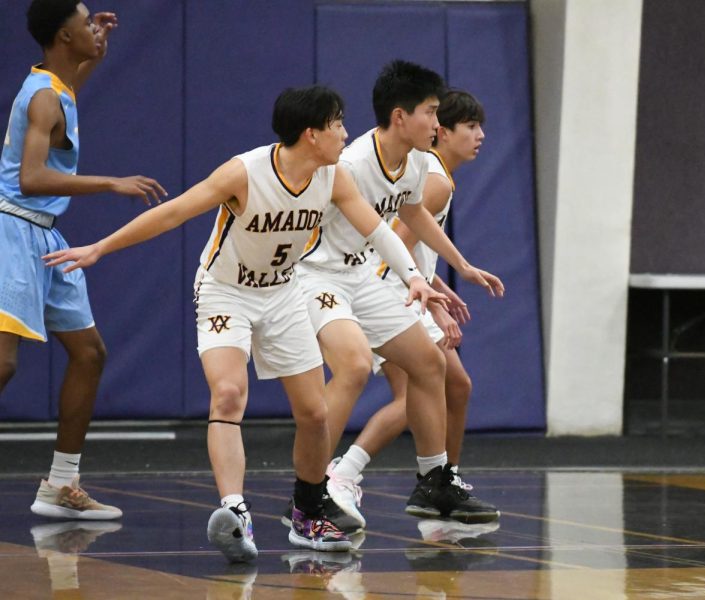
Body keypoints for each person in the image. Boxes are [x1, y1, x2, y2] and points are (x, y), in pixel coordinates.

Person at [44, 85, 446, 562]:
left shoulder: (333, 176)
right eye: (337, 124)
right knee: (229, 393)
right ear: (311, 133)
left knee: (316, 413)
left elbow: (378, 230)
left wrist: (414, 277)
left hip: (282, 293)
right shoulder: (245, 172)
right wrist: (100, 248)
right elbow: (172, 214)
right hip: (225, 292)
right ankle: (235, 512)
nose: (344, 132)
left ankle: (308, 508)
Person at [293, 60, 502, 529]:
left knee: (430, 364)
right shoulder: (351, 164)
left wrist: (459, 267)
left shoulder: (416, 163)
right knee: (354, 366)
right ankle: (311, 492)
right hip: (318, 277)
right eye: (431, 112)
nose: (437, 121)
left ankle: (434, 480)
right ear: (400, 116)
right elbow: (386, 231)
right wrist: (415, 276)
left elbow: (412, 217)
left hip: (366, 277)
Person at [0, 0, 167, 521]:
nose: (93, 27)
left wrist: (99, 47)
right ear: (62, 37)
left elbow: (76, 77)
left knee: (89, 354)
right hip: (12, 228)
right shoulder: (44, 97)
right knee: (3, 363)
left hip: (46, 235)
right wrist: (110, 183)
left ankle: (61, 483)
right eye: (84, 23)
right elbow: (30, 178)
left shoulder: (60, 85)